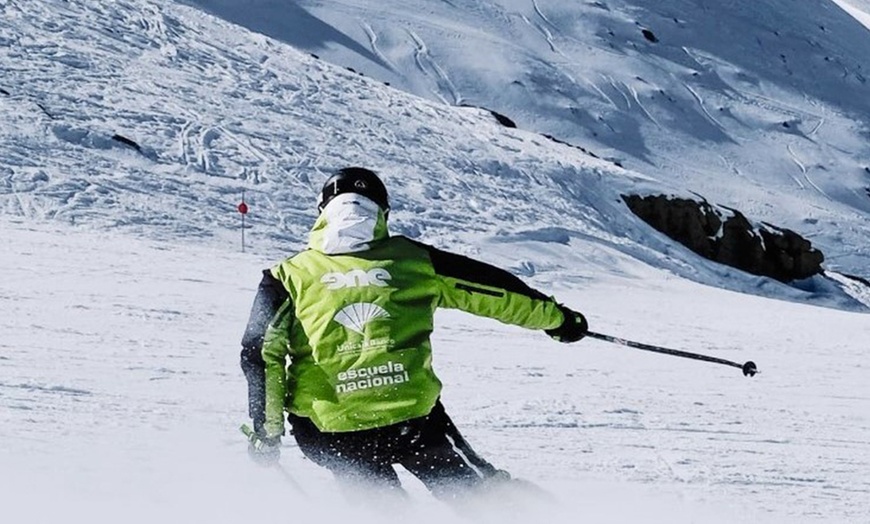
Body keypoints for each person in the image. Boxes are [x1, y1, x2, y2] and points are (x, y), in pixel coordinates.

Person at [240, 167, 588, 501]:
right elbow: (492, 291)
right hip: (411, 420)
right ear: (382, 213)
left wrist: (267, 432)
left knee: (381, 508)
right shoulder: (414, 261)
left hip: (330, 431)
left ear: (322, 212)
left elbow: (259, 352)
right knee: (479, 496)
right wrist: (558, 320)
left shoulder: (287, 276)